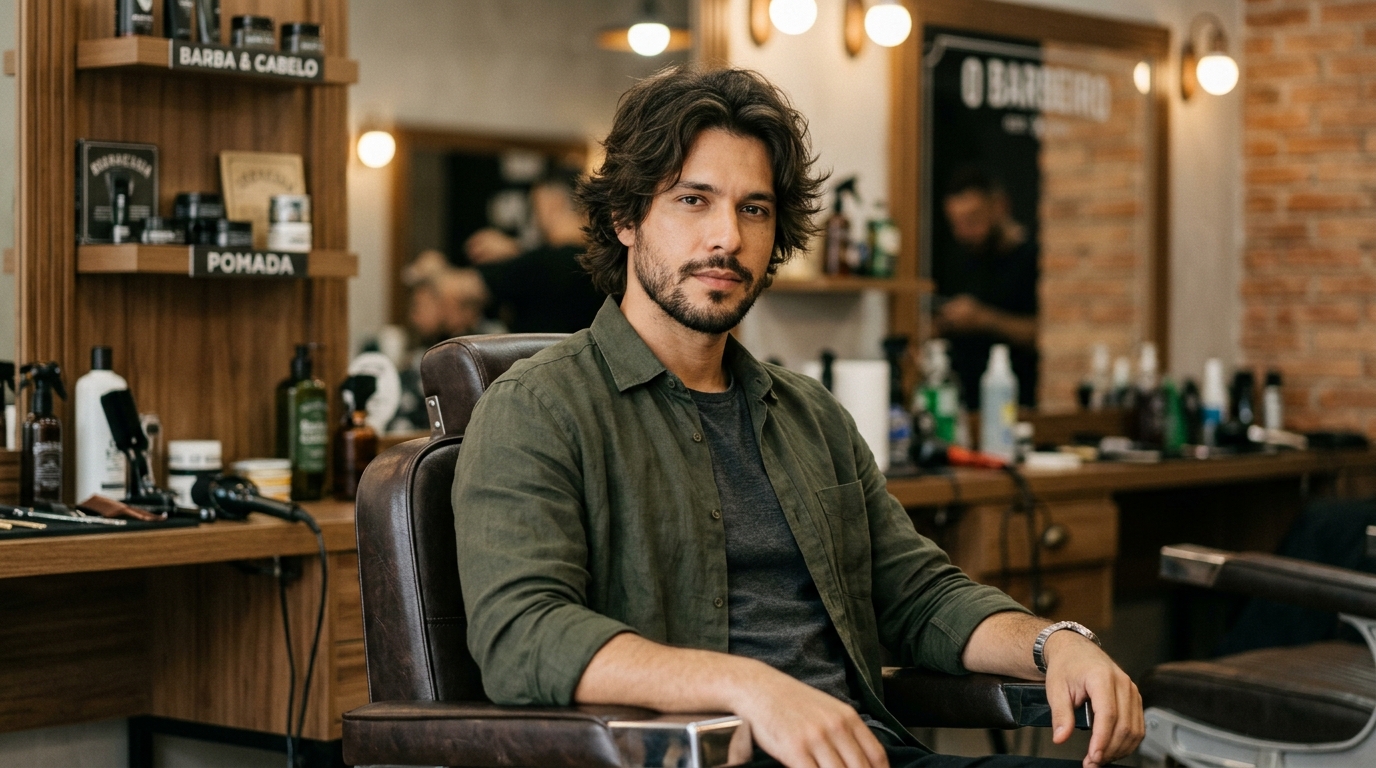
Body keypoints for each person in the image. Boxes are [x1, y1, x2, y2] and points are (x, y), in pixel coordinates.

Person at [454, 66, 1142, 768]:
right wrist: (749, 690)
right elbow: (523, 635)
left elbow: (918, 596)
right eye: (694, 200)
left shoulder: (810, 415)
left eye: (753, 209)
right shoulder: (538, 410)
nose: (726, 237)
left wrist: (1053, 643)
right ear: (625, 218)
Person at [933, 168, 1040, 409]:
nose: (963, 233)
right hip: (965, 405)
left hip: (1020, 403)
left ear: (1000, 206)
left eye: (972, 221)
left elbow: (1045, 334)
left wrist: (983, 319)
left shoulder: (1033, 260)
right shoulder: (959, 260)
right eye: (956, 224)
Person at [464, 168, 607, 333]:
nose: (535, 218)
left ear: (554, 203)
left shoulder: (540, 264)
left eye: (535, 205)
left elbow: (464, 287)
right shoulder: (605, 263)